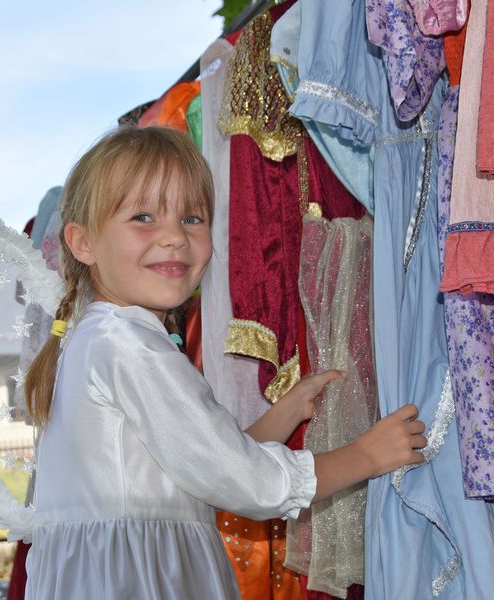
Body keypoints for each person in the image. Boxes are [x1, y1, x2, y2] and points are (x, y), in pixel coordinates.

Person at [22, 126, 426, 599]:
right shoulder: (126, 344)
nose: (174, 237)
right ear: (83, 242)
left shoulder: (97, 337)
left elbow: (195, 462)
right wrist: (366, 455)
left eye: (192, 218)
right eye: (144, 217)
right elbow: (246, 482)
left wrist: (285, 413)